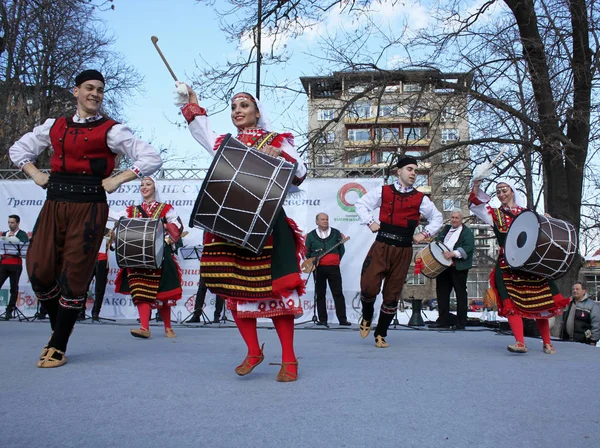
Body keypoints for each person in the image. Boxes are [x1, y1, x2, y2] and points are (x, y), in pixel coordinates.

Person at [9, 69, 162, 368]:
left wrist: (118, 179)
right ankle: (60, 327)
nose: (95, 94)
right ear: (75, 91)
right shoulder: (55, 126)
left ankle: (58, 344)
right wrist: (36, 174)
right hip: (55, 202)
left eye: (100, 90)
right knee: (38, 270)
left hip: (90, 205)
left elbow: (151, 158)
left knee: (74, 274)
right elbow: (19, 149)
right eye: (89, 88)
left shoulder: (111, 130)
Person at [176, 84, 307, 382]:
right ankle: (252, 351)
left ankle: (289, 359)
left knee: (276, 290)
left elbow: (300, 173)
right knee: (232, 286)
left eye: (244, 106)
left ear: (258, 113)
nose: (238, 111)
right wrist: (192, 103)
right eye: (234, 107)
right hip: (229, 223)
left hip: (267, 222)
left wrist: (281, 157)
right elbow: (202, 132)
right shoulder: (226, 143)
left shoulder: (278, 140)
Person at [469, 178, 569, 354]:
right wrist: (476, 186)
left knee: (540, 302)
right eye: (498, 191)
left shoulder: (527, 214)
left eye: (504, 190)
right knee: (511, 301)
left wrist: (546, 220)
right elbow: (475, 206)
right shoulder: (495, 214)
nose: (501, 194)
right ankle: (520, 342)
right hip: (507, 263)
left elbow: (542, 233)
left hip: (529, 264)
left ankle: (547, 343)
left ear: (512, 191)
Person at [355, 156, 443, 348]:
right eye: (409, 169)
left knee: (392, 294)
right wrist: (370, 222)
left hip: (403, 250)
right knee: (369, 287)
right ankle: (368, 316)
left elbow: (437, 218)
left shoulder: (421, 198)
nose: (413, 173)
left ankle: (381, 333)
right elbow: (360, 204)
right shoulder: (383, 191)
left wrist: (425, 233)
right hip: (381, 246)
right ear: (399, 171)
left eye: (415, 171)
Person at [113, 177, 183, 338]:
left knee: (163, 291)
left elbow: (178, 226)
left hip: (160, 253)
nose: (144, 187)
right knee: (140, 287)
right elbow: (117, 217)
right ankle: (144, 327)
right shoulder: (132, 210)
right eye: (142, 185)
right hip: (137, 255)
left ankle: (167, 327)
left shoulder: (165, 209)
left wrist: (163, 225)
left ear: (155, 188)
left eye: (148, 184)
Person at [428, 209, 474, 330]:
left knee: (460, 294)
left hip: (458, 267)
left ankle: (461, 322)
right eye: (452, 217)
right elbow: (439, 241)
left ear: (461, 219)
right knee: (442, 293)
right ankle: (443, 320)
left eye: (456, 218)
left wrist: (453, 254)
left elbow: (468, 248)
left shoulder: (467, 232)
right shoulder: (446, 229)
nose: (454, 220)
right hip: (443, 266)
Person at [305, 212, 351, 326]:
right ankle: (322, 319)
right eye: (322, 219)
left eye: (326, 219)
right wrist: (313, 262)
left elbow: (341, 249)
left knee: (338, 292)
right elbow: (307, 251)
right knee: (320, 293)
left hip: (333, 268)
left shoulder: (335, 233)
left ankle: (342, 319)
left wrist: (335, 260)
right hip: (318, 268)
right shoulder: (311, 235)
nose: (325, 221)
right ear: (317, 221)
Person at [1, 215, 29, 320]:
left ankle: (10, 310)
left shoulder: (22, 234)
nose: (10, 224)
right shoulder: (4, 234)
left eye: (12, 222)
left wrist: (14, 239)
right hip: (4, 263)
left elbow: (25, 246)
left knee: (14, 287)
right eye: (9, 222)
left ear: (17, 223)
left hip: (15, 263)